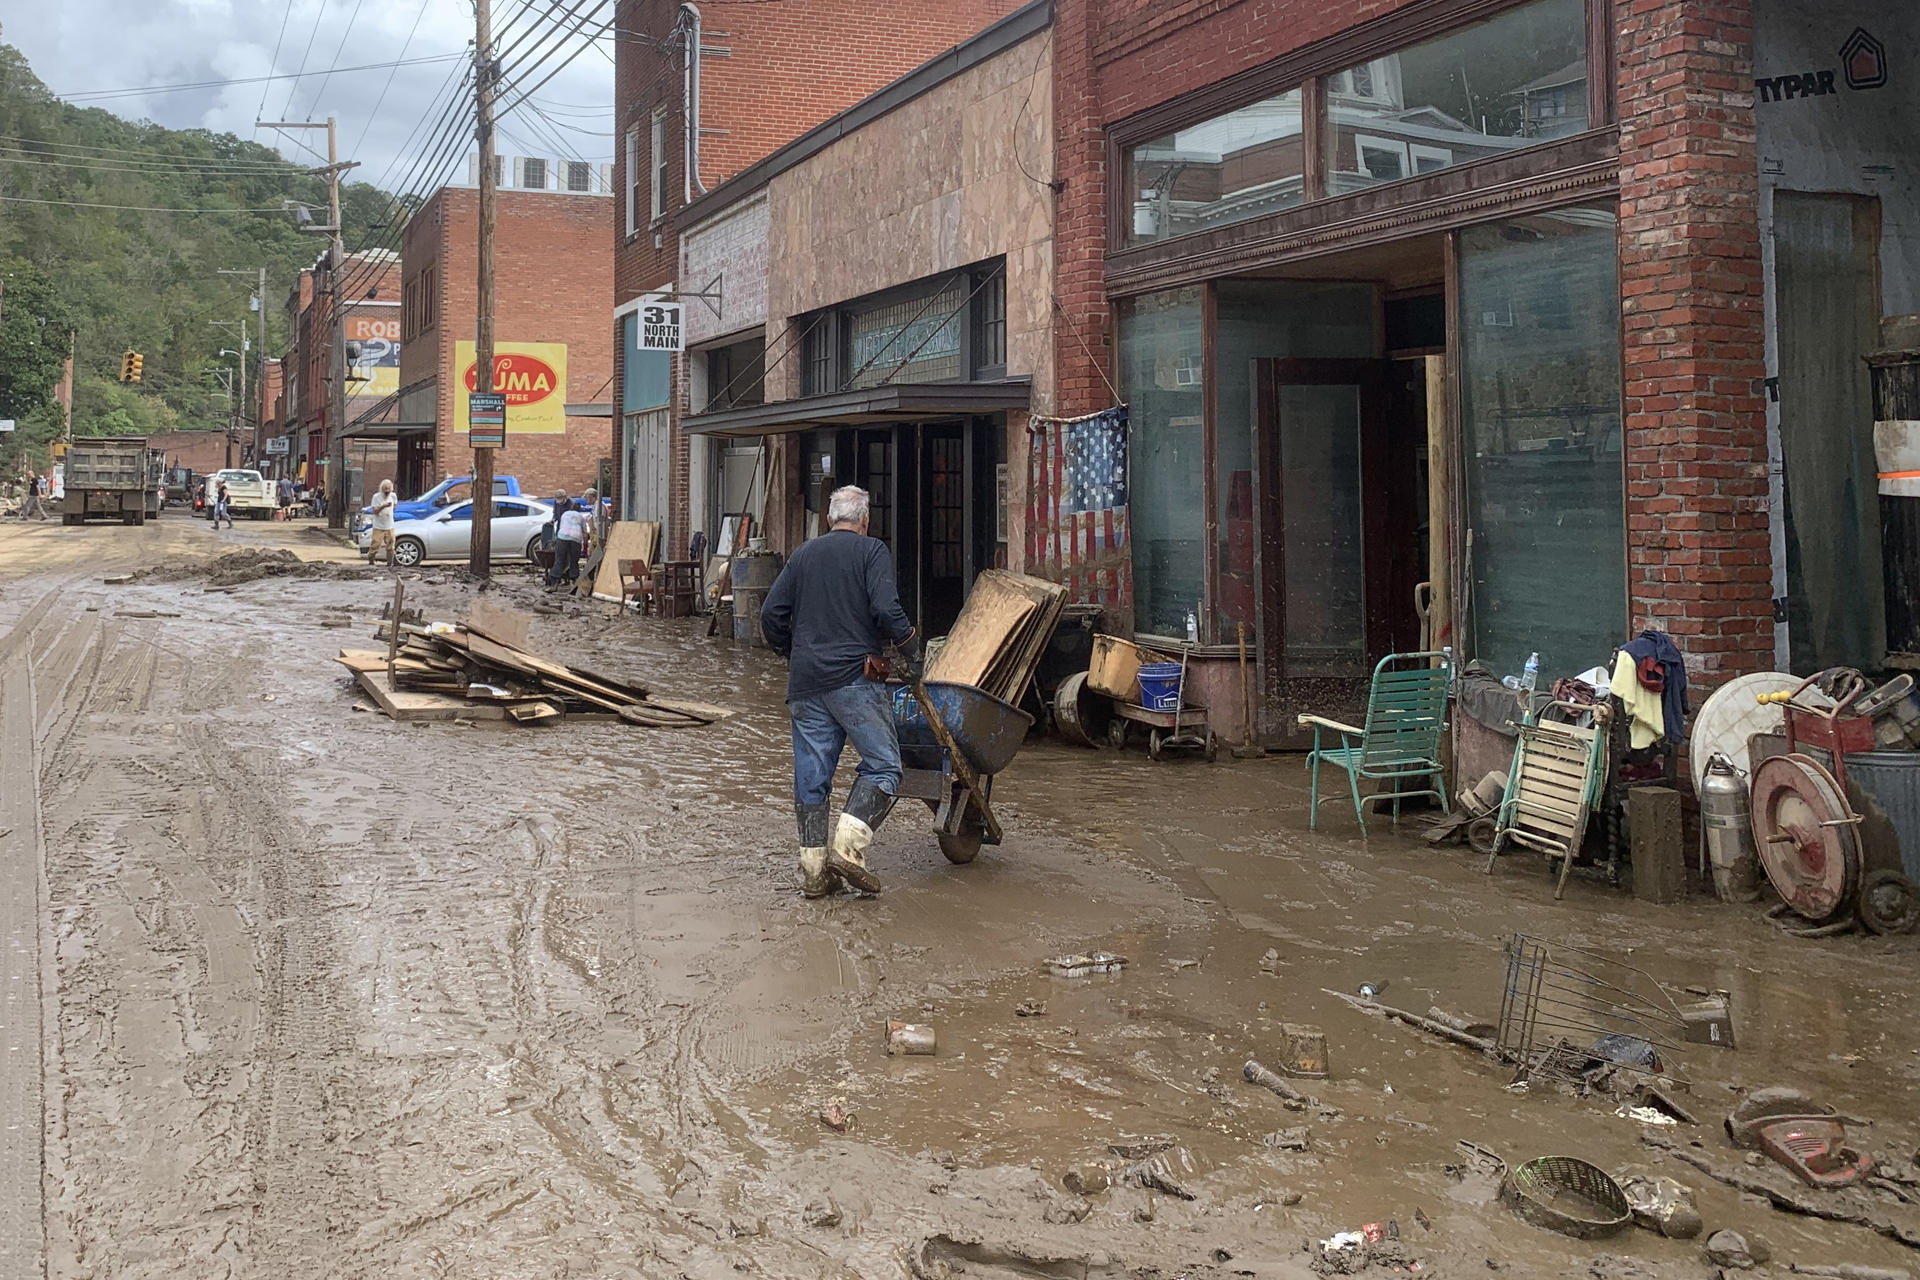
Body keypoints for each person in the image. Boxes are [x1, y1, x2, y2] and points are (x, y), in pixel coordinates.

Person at [760, 484, 916, 898]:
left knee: (812, 777)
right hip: (854, 677)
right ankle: (848, 849)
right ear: (865, 521)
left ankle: (814, 871)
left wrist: (789, 652)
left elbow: (771, 613)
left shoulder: (802, 554)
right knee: (884, 766)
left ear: (830, 519)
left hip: (806, 682)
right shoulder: (871, 551)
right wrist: (912, 649)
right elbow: (886, 609)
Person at [547, 491, 589, 587]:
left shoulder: (565, 514)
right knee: (574, 561)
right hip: (575, 539)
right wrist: (585, 547)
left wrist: (558, 539)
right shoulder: (581, 518)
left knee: (559, 559)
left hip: (562, 537)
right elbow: (585, 533)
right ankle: (574, 581)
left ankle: (555, 582)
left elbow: (561, 527)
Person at [367, 479, 399, 565]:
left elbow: (395, 505)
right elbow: (375, 511)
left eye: (389, 490)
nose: (387, 492)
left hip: (389, 525)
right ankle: (371, 559)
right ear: (382, 489)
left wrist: (390, 511)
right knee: (375, 544)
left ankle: (390, 562)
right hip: (378, 525)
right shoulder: (376, 497)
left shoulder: (393, 496)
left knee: (391, 544)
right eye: (385, 490)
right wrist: (383, 506)